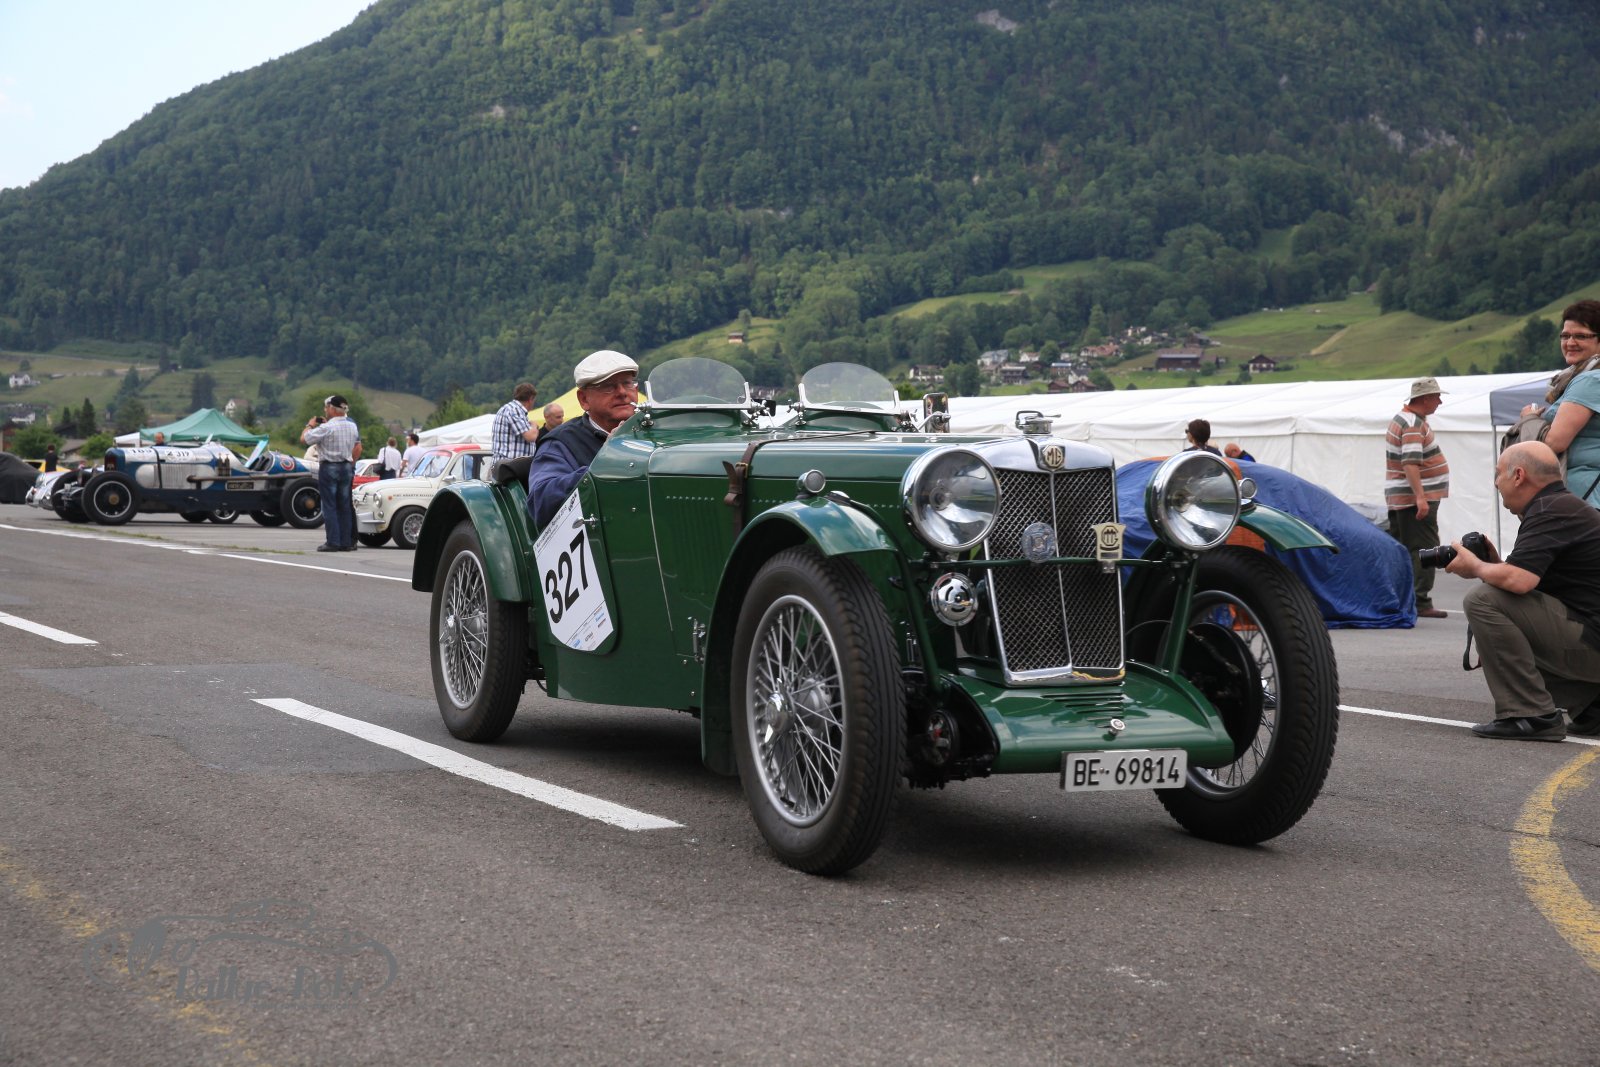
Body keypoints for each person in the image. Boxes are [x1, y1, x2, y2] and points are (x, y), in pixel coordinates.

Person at [1445, 442, 1600, 740]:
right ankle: (1592, 704)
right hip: (1591, 636)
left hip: (1592, 642)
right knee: (1499, 602)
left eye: (1498, 473)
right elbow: (1531, 582)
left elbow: (1519, 583)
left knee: (1483, 600)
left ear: (1518, 475)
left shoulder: (1549, 510)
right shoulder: (1561, 506)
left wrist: (1476, 566)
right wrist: (1495, 565)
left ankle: (1530, 715)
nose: (1495, 483)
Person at [527, 350, 639, 528]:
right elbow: (541, 502)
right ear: (584, 399)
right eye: (608, 386)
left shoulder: (655, 430)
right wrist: (604, 461)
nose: (622, 392)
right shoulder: (560, 443)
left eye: (627, 383)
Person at [1519, 299, 1600, 506]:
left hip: (1583, 496)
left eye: (1581, 336)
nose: (1570, 342)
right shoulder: (1583, 377)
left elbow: (1554, 443)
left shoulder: (1590, 380)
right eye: (1565, 335)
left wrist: (1529, 420)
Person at [1385, 377, 1450, 619]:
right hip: (1413, 499)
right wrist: (1420, 498)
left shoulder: (1403, 419)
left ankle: (1403, 598)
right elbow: (1410, 463)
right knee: (1425, 548)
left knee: (1403, 548)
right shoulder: (1413, 424)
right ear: (1425, 398)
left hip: (1402, 497)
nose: (1439, 401)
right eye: (1436, 397)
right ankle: (1420, 601)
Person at [301, 395, 361, 552]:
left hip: (329, 467)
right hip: (346, 466)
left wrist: (310, 424)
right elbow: (357, 446)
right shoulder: (352, 426)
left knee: (329, 506)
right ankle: (346, 542)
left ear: (333, 409)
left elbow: (304, 439)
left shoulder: (327, 427)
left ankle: (333, 541)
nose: (325, 410)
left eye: (327, 407)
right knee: (344, 506)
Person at [491, 382, 540, 475]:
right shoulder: (515, 410)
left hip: (506, 466)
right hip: (511, 468)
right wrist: (534, 425)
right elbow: (531, 436)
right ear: (531, 399)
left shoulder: (508, 409)